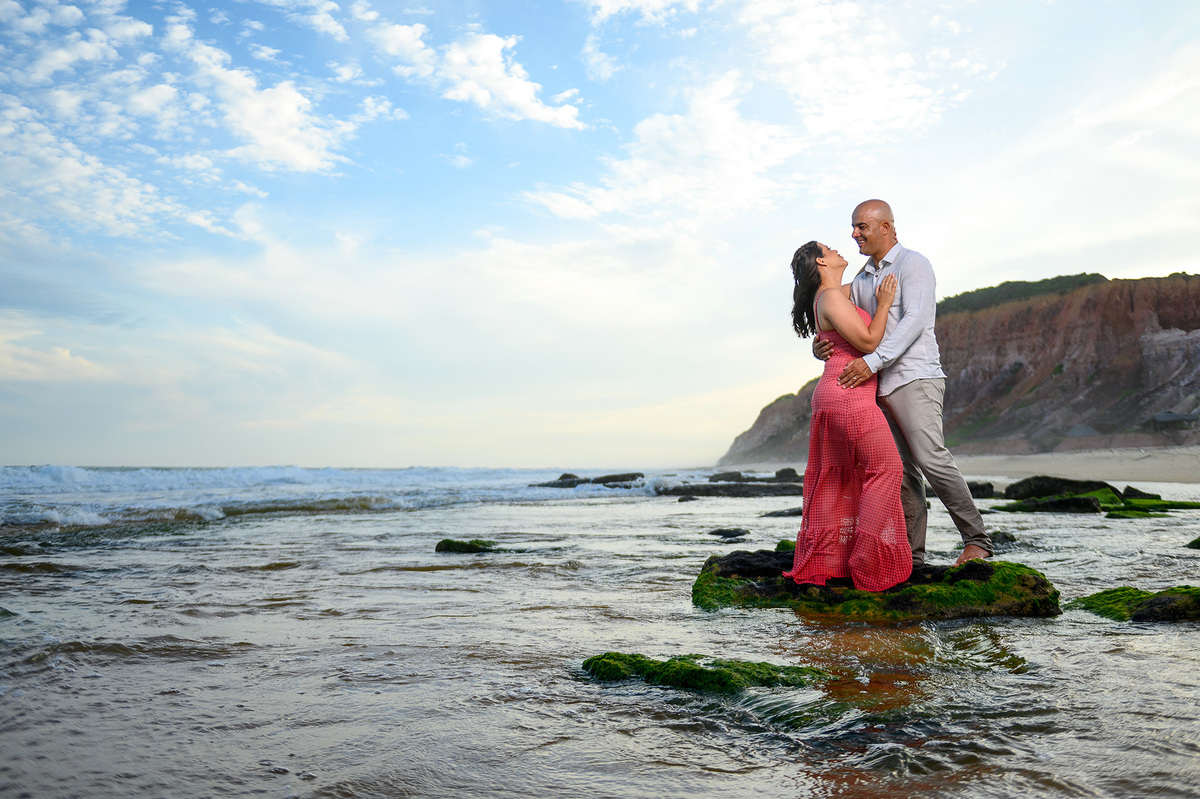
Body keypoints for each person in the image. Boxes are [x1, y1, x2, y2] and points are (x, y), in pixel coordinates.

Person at [818, 199, 992, 567]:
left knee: (931, 458)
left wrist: (873, 361)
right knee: (900, 473)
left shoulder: (914, 264)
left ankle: (977, 540)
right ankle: (913, 556)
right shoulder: (863, 278)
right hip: (876, 386)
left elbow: (915, 321)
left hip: (914, 377)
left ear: (886, 227)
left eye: (861, 226)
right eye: (853, 227)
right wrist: (822, 344)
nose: (854, 234)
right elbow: (839, 317)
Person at [783, 240, 912, 592]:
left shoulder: (834, 293)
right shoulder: (831, 296)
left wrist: (817, 345)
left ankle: (835, 562)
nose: (839, 248)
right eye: (830, 248)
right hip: (848, 395)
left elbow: (834, 332)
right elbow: (870, 342)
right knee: (886, 469)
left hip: (837, 393)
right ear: (821, 262)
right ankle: (867, 562)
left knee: (841, 478)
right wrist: (884, 304)